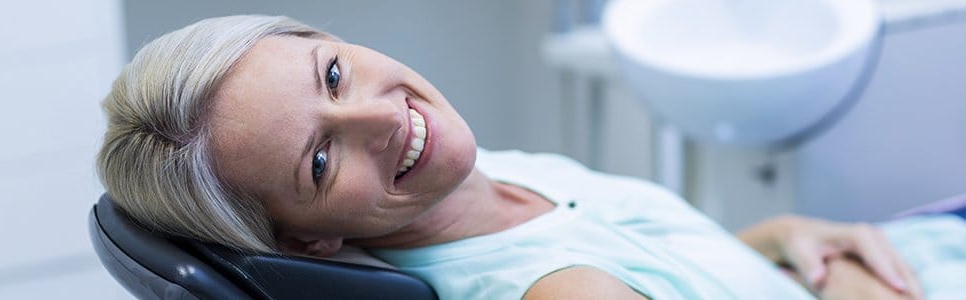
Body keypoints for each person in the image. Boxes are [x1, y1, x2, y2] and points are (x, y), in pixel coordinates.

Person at [96, 15, 965, 299]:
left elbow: (664, 265)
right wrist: (857, 278)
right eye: (321, 162)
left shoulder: (482, 170)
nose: (383, 117)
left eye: (333, 72)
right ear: (309, 242)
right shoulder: (557, 292)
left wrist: (780, 235)